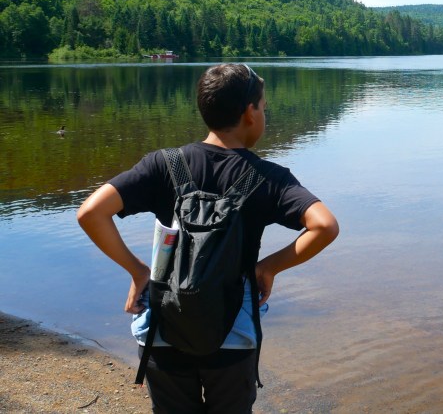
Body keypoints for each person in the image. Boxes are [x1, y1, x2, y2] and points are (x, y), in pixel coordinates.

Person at [77, 63, 339, 413]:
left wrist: (138, 272)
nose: (264, 114)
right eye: (263, 107)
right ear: (249, 113)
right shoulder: (268, 177)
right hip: (231, 334)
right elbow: (325, 226)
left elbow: (91, 213)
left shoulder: (163, 164)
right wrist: (269, 268)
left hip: (163, 329)